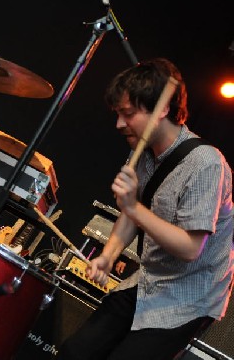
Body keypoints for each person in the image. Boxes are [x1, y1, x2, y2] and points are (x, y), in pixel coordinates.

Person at [58, 58, 234, 360]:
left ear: (162, 109)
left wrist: (133, 208)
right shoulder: (141, 152)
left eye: (127, 114)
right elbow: (129, 214)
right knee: (75, 352)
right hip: (149, 279)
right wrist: (108, 255)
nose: (119, 124)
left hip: (189, 295)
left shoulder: (206, 164)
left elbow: (191, 247)